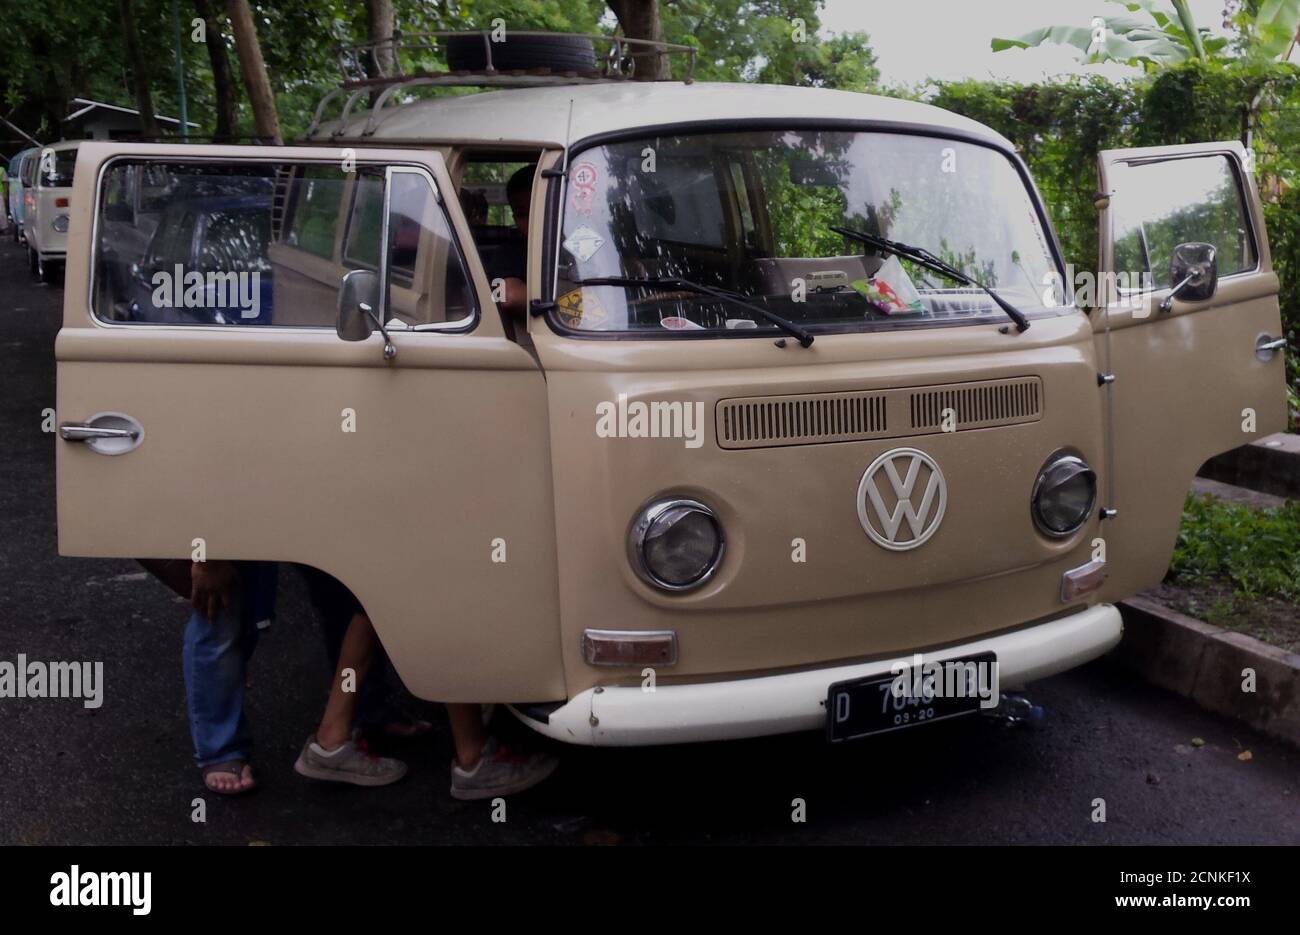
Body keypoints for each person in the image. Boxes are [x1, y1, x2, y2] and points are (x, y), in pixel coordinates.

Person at [147, 558, 406, 794]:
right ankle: (219, 751)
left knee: (345, 596)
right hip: (228, 521)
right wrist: (207, 560)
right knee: (221, 610)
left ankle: (366, 709)